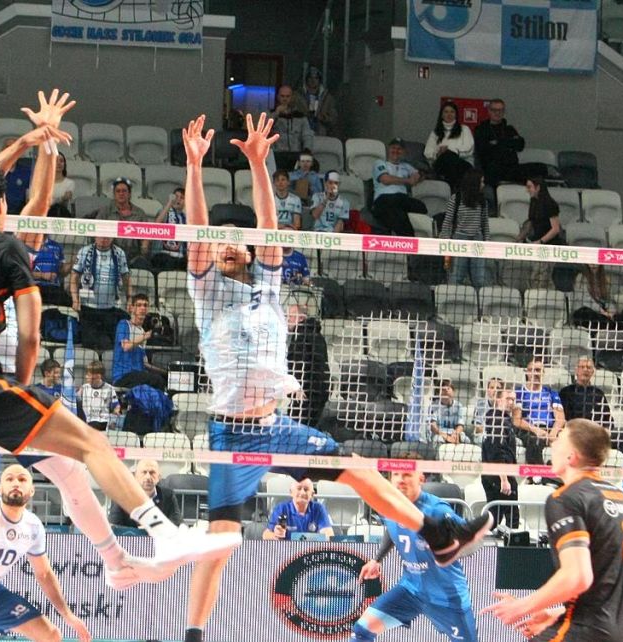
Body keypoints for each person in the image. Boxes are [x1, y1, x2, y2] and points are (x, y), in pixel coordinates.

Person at [0, 92, 240, 642]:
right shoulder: (5, 250)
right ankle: (158, 538)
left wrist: (36, 144)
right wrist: (18, 385)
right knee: (83, 452)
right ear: (1, 211)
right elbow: (31, 305)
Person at [179, 112, 492, 642]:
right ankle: (194, 634)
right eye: (219, 241)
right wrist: (194, 166)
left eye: (237, 241)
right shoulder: (207, 291)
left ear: (250, 253)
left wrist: (259, 163)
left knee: (358, 469)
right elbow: (195, 235)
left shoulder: (268, 286)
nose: (227, 244)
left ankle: (439, 534)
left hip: (275, 426)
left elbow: (269, 227)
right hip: (232, 434)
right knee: (222, 540)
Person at [483, 419, 623, 642]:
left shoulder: (566, 498)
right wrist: (557, 613)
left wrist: (521, 607)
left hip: (590, 633)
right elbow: (608, 582)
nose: (552, 444)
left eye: (559, 439)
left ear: (571, 456)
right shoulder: (620, 498)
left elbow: (577, 576)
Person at [0, 464, 92, 642]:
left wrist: (67, 614)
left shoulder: (33, 526)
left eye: (22, 479)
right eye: (9, 479)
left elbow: (44, 574)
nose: (16, 483)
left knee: (51, 636)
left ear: (32, 490)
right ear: (0, 489)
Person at [353, 468, 478, 642]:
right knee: (362, 630)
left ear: (421, 478)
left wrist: (448, 547)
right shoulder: (388, 505)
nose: (400, 479)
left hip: (446, 597)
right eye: (396, 474)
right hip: (410, 590)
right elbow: (392, 526)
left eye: (407, 474)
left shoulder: (437, 510)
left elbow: (473, 542)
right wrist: (377, 559)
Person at [70, 236, 131, 351]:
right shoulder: (84, 251)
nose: (104, 239)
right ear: (95, 236)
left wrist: (129, 299)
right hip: (88, 308)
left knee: (109, 345)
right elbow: (74, 277)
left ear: (112, 238)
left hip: (110, 308)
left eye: (107, 237)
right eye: (101, 236)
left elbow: (126, 277)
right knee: (88, 346)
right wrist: (75, 299)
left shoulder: (119, 253)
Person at [438, 168, 490, 288]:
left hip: (477, 241)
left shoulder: (482, 201)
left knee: (479, 279)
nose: (483, 185)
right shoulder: (456, 199)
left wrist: (487, 242)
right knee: (456, 277)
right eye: (481, 182)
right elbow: (448, 221)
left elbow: (484, 224)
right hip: (459, 240)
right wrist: (444, 241)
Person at [512, 357, 565, 465]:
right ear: (527, 372)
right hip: (529, 429)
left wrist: (553, 433)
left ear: (543, 373)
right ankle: (538, 473)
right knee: (535, 442)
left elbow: (560, 418)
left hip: (550, 429)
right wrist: (536, 430)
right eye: (532, 370)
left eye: (538, 370)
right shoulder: (519, 392)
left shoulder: (551, 393)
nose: (535, 373)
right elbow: (516, 420)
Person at [480, 388, 519, 529]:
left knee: (495, 516)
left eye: (513, 400)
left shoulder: (502, 419)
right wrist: (504, 479)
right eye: (508, 399)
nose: (511, 402)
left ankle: (478, 535)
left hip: (495, 473)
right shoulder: (497, 420)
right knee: (511, 517)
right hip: (499, 475)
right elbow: (497, 451)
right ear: (498, 399)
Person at [370, 139, 427, 237]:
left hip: (401, 199)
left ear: (403, 151)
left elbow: (418, 175)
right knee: (398, 214)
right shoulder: (380, 163)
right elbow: (385, 179)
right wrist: (408, 180)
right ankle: (408, 239)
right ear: (388, 149)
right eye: (393, 148)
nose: (396, 151)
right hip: (384, 198)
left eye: (399, 149)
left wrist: (418, 176)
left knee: (421, 207)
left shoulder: (406, 166)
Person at [113, 293, 167, 389]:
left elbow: (145, 363)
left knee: (163, 379)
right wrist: (146, 336)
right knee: (156, 380)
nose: (142, 308)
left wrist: (165, 372)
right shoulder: (124, 324)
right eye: (139, 305)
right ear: (132, 308)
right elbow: (126, 346)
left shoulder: (142, 331)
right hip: (123, 376)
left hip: (138, 376)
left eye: (145, 305)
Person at [91, 177, 150, 264]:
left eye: (124, 191)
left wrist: (144, 250)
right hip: (109, 255)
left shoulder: (139, 213)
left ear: (129, 194)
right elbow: (96, 232)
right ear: (114, 194)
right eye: (118, 191)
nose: (121, 194)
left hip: (134, 258)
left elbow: (146, 236)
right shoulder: (105, 212)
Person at [516, 176, 562, 288]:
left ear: (538, 188)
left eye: (529, 187)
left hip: (549, 247)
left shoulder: (550, 204)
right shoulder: (533, 202)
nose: (527, 190)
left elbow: (555, 229)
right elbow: (530, 222)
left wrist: (541, 241)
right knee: (538, 278)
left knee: (542, 278)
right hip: (537, 246)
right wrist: (519, 238)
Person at [109, 459, 182, 528]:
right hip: (129, 536)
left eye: (152, 473)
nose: (148, 477)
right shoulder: (121, 496)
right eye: (144, 472)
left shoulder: (169, 495)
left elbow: (177, 523)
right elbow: (114, 526)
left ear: (159, 477)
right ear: (135, 476)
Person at [473, 98, 524, 189]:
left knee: (540, 168)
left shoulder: (509, 129)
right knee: (493, 169)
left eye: (501, 110)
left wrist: (497, 143)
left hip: (511, 167)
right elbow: (483, 149)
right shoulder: (481, 130)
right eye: (494, 110)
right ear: (489, 111)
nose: (497, 113)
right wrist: (508, 143)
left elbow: (520, 145)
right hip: (491, 168)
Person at [559, 356, 615, 436]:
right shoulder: (566, 392)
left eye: (588, 368)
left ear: (593, 372)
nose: (585, 370)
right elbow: (562, 418)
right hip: (573, 433)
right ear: (576, 370)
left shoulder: (599, 394)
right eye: (582, 367)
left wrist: (606, 430)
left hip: (595, 434)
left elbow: (608, 419)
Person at [263, 478, 334, 539]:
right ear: (291, 492)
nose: (302, 492)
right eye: (299, 488)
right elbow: (266, 535)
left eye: (306, 489)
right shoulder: (282, 508)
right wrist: (275, 536)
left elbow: (329, 534)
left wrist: (324, 536)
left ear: (312, 494)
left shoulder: (318, 509)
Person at [424, 101, 474, 189]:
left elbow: (469, 148)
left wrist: (450, 150)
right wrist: (438, 153)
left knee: (448, 156)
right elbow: (427, 152)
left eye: (452, 112)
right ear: (442, 115)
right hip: (441, 163)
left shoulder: (464, 129)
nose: (449, 114)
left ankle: (451, 189)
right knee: (446, 157)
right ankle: (455, 191)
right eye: (446, 112)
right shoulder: (435, 133)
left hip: (462, 163)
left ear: (456, 114)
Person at [293, 66, 338, 136]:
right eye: (310, 78)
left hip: (320, 134)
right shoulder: (297, 96)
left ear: (319, 80)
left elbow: (334, 119)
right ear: (306, 79)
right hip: (301, 133)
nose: (313, 80)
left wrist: (323, 118)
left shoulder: (327, 98)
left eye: (316, 78)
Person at [152, 187, 187, 272]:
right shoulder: (164, 211)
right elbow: (156, 225)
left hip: (180, 257)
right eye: (176, 197)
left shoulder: (185, 218)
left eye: (182, 198)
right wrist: (169, 203)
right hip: (162, 254)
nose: (178, 199)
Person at [270, 84, 313, 153]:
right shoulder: (271, 114)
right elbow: (264, 129)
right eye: (282, 96)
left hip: (296, 152)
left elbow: (307, 135)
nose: (285, 99)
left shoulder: (300, 116)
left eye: (288, 96)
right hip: (277, 152)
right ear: (278, 97)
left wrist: (307, 149)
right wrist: (276, 113)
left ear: (292, 97)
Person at [79, 361, 120, 430]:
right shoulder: (84, 388)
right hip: (88, 421)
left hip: (104, 420)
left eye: (89, 375)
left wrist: (116, 411)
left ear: (98, 376)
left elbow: (116, 404)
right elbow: (75, 401)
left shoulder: (109, 388)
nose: (86, 377)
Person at [31, 235, 71, 306]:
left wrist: (74, 263)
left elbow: (62, 273)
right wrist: (43, 275)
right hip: (35, 287)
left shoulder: (57, 246)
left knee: (71, 303)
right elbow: (23, 272)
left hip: (54, 288)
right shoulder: (28, 245)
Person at [428, 379, 467, 444]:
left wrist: (456, 434)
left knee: (465, 439)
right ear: (438, 393)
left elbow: (460, 425)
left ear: (453, 391)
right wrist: (446, 436)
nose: (446, 390)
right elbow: (433, 426)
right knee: (438, 440)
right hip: (439, 434)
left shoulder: (458, 406)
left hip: (454, 433)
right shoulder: (433, 406)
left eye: (448, 388)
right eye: (443, 389)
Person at [471, 377, 505, 443]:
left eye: (498, 388)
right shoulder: (480, 404)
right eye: (492, 388)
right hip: (483, 435)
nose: (495, 390)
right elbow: (477, 427)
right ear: (487, 390)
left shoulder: (505, 404)